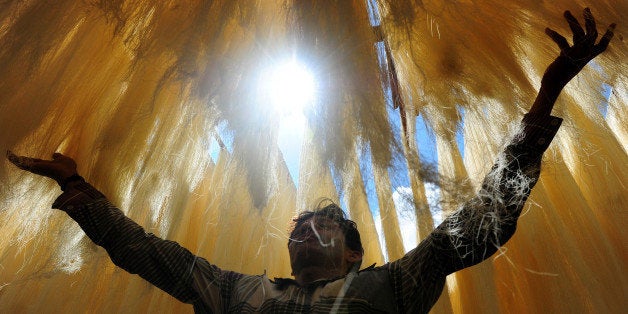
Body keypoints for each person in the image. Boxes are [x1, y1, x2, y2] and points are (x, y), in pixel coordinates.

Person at [6, 8, 615, 313]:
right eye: (299, 225)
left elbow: (486, 220)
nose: (302, 228)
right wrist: (81, 189)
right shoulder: (237, 292)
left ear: (354, 252)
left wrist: (546, 98)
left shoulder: (395, 283)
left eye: (321, 224)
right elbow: (154, 256)